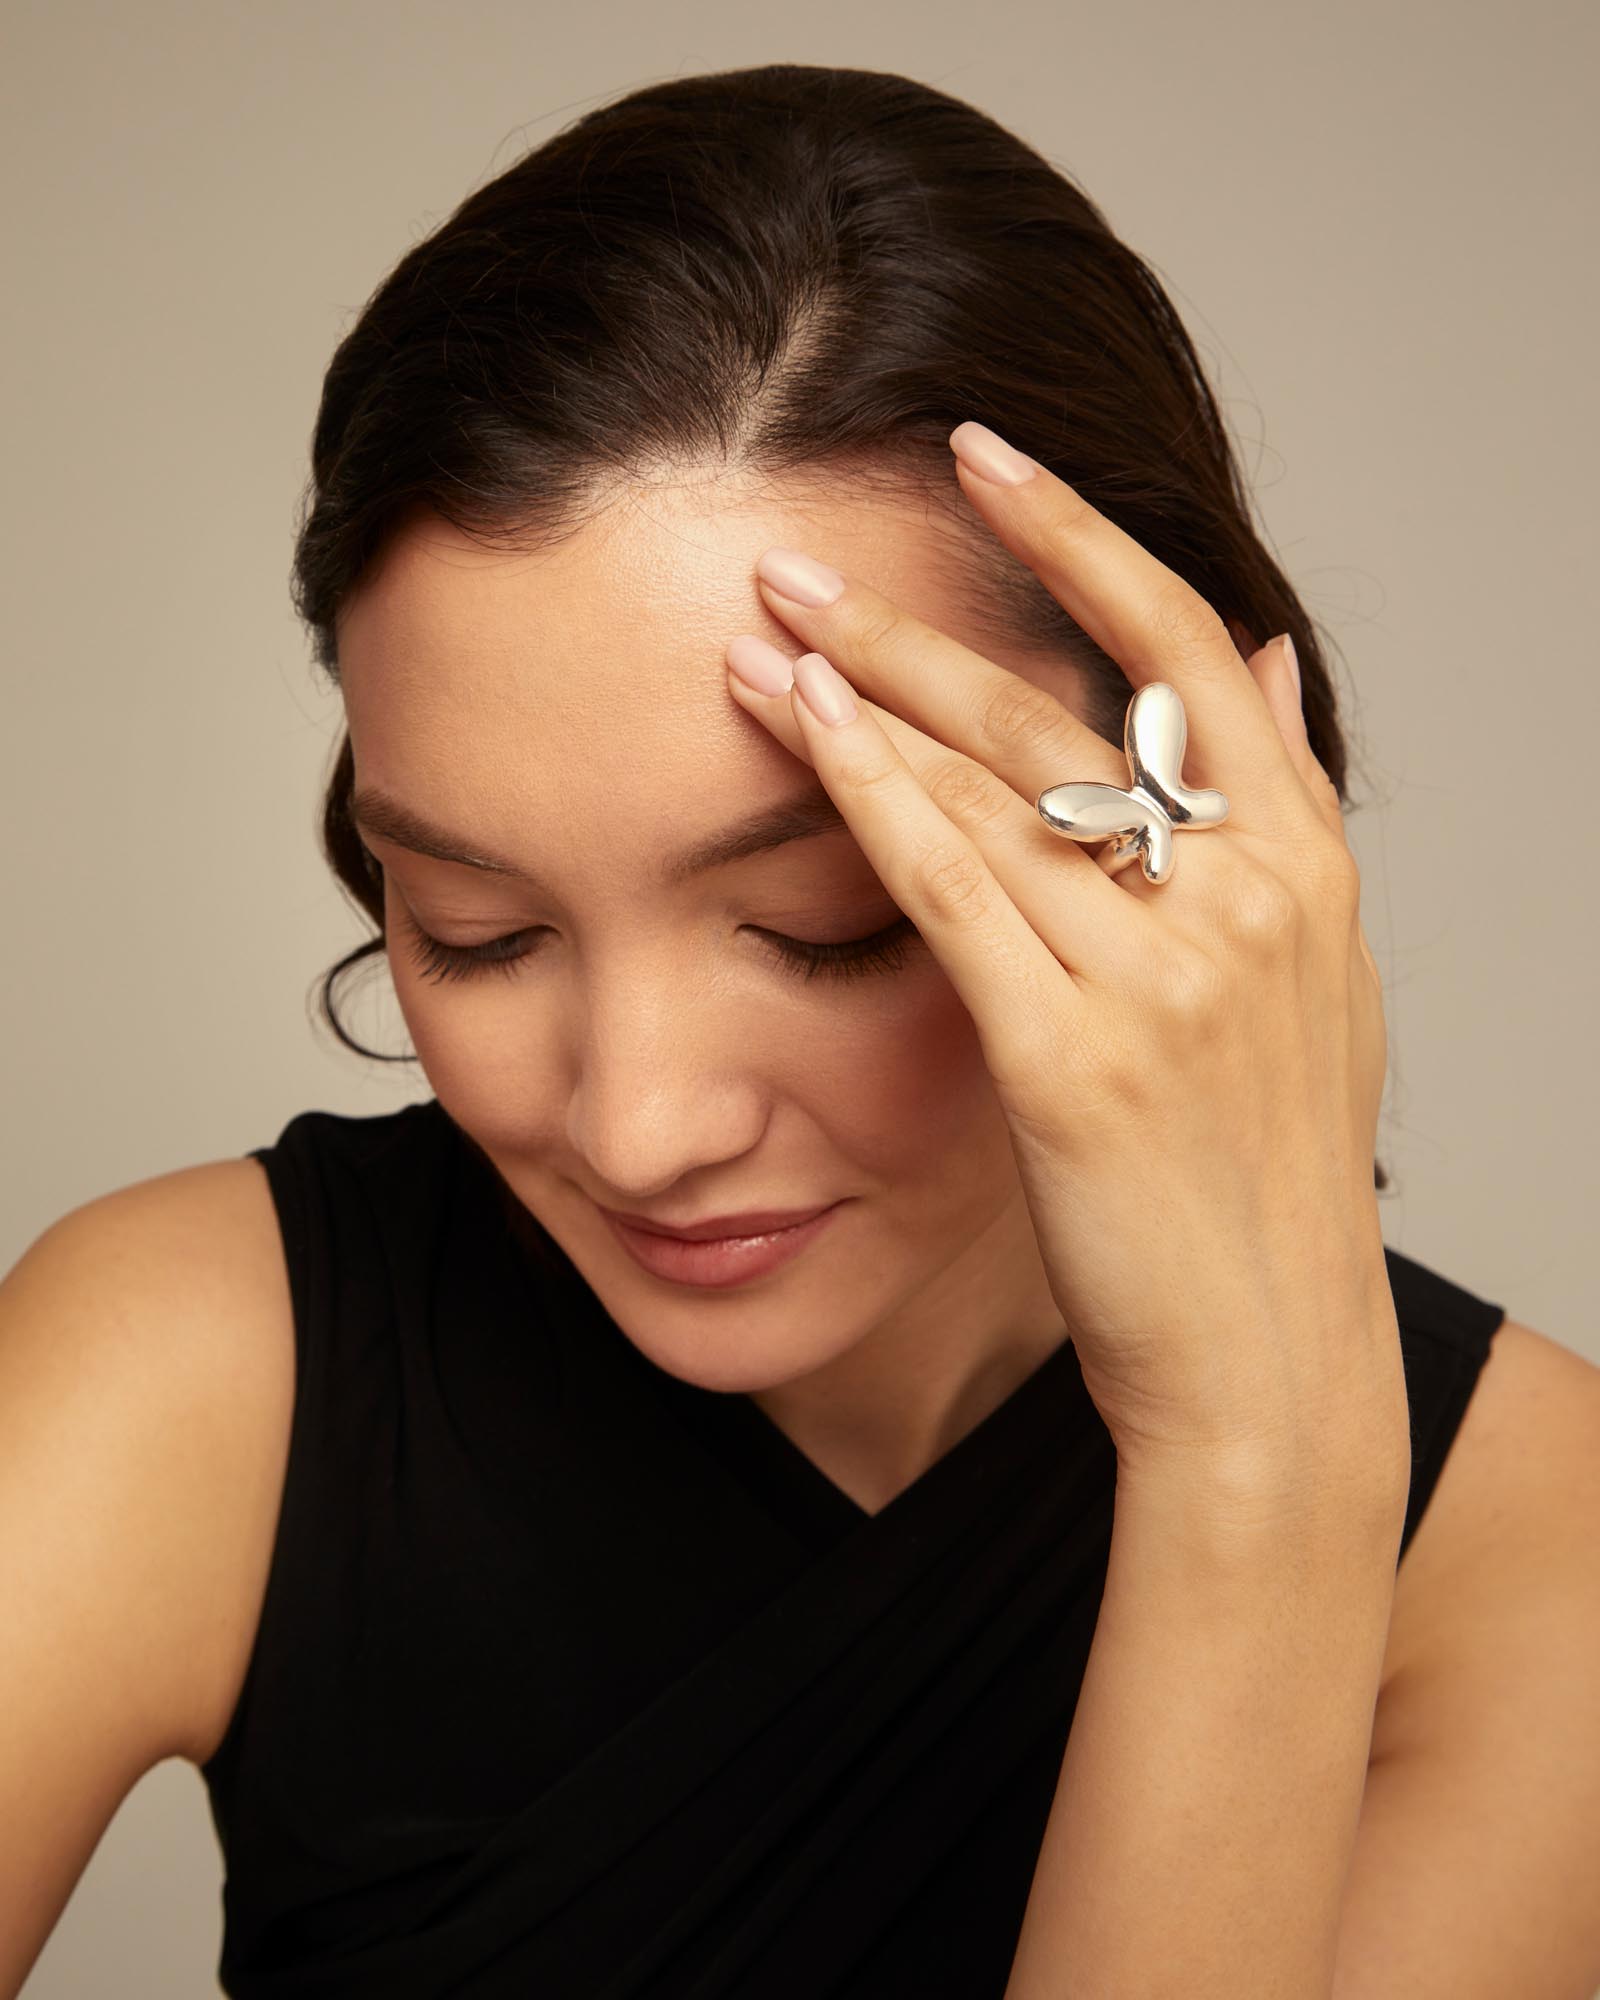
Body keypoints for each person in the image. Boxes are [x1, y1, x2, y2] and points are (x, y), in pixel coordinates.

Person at [4, 61, 1598, 2000]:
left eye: (823, 928)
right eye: (480, 931)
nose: (641, 1122)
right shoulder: (192, 1365)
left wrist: (1259, 1467)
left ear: (1180, 813)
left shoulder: (1535, 1550)